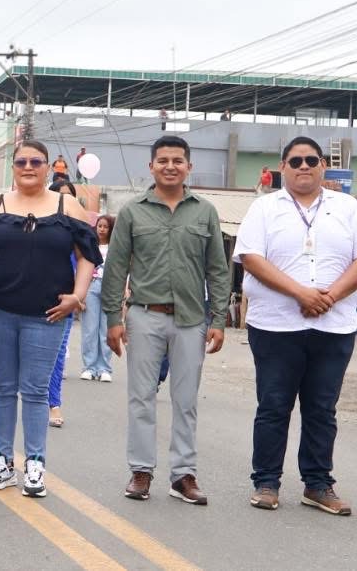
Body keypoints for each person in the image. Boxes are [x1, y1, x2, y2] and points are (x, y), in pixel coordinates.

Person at [234, 136, 357, 516]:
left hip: (333, 327)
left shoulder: (347, 207)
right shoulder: (264, 208)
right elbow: (251, 258)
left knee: (321, 409)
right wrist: (301, 293)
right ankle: (266, 482)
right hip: (275, 326)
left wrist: (328, 297)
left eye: (311, 160)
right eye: (296, 160)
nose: (304, 166)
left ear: (322, 166)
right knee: (274, 405)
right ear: (282, 167)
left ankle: (317, 485)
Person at [102, 135, 230, 506]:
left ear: (189, 166)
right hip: (144, 316)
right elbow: (116, 268)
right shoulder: (132, 212)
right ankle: (141, 471)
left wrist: (219, 319)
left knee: (185, 400)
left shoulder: (205, 212)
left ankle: (183, 475)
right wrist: (113, 318)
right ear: (151, 166)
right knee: (141, 398)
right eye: (163, 160)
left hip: (192, 320)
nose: (170, 166)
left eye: (177, 160)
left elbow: (217, 269)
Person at [0, 140, 99, 499]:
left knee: (36, 390)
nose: (29, 167)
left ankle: (35, 464)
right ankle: (1, 461)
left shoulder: (66, 205)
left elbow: (87, 255)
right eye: (22, 161)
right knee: (2, 388)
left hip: (48, 314)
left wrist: (78, 295)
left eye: (36, 162)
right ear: (13, 167)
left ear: (47, 167)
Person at [47, 179, 82, 428]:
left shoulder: (78, 230)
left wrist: (78, 295)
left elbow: (86, 263)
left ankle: (54, 403)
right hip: (29, 297)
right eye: (60, 195)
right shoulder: (36, 223)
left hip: (64, 300)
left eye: (70, 195)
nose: (65, 200)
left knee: (57, 353)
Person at [79, 215, 114, 382]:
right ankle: (89, 367)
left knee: (106, 329)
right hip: (91, 286)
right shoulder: (89, 245)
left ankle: (104, 368)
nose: (102, 229)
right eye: (100, 226)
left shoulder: (116, 246)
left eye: (106, 227)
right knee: (89, 329)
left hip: (109, 288)